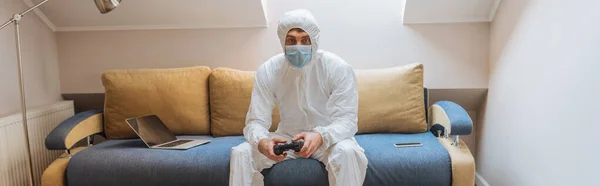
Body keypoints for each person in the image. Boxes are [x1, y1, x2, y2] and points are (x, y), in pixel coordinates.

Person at [229, 9, 368, 186]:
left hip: (327, 138)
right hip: (286, 136)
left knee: (348, 153)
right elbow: (255, 121)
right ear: (282, 41)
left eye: (305, 40)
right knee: (241, 153)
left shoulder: (337, 68)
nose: (298, 46)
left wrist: (320, 136)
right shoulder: (269, 70)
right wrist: (262, 141)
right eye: (291, 40)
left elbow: (347, 121)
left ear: (314, 41)